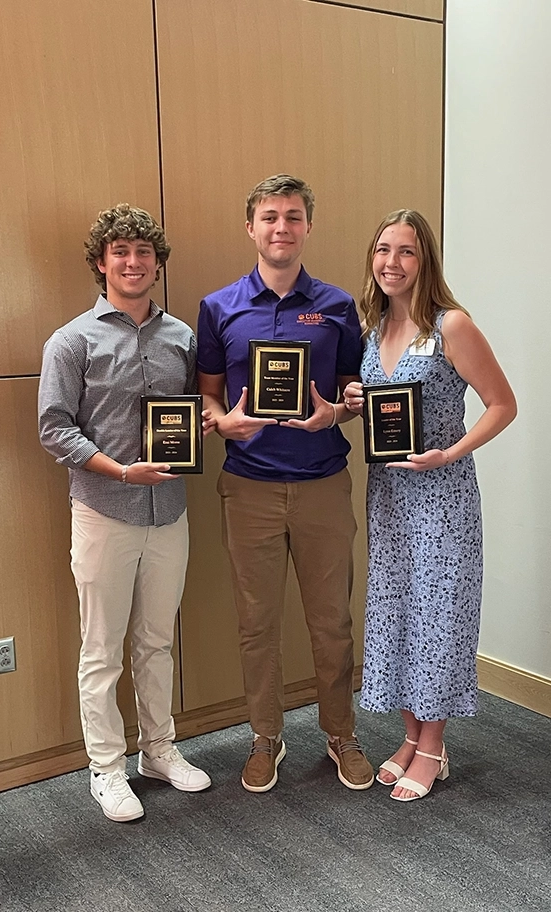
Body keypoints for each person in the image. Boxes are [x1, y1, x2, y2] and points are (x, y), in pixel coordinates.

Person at [198, 174, 374, 793]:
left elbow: (356, 392)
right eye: (270, 216)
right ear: (251, 227)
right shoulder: (219, 307)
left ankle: (341, 734)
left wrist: (338, 412)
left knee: (332, 622)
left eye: (293, 217)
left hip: (324, 483)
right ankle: (265, 737)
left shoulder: (337, 305)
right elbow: (210, 400)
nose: (281, 227)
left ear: (307, 227)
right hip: (248, 488)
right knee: (257, 623)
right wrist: (224, 424)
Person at [38, 203, 211, 822]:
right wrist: (118, 470)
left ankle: (159, 750)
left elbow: (197, 414)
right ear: (101, 264)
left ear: (158, 265)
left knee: (157, 642)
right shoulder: (72, 341)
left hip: (169, 512)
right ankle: (106, 769)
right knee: (102, 650)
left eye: (144, 253)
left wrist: (216, 425)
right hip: (104, 511)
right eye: (121, 252)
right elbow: (54, 429)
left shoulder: (183, 338)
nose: (133, 262)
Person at [344, 209, 516, 801]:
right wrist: (354, 400)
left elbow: (501, 404)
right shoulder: (371, 332)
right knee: (395, 613)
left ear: (426, 261)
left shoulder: (452, 325)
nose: (391, 262)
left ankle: (434, 746)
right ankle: (411, 738)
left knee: (439, 616)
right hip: (389, 494)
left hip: (441, 495)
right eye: (382, 249)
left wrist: (450, 452)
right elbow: (383, 408)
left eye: (406, 252)